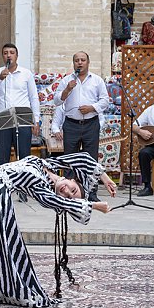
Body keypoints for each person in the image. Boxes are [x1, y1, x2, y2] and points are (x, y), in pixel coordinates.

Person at [0, 153, 116, 306]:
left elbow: (56, 201)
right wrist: (105, 178)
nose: (66, 191)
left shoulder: (43, 188)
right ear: (72, 179)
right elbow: (81, 158)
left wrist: (94, 205)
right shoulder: (48, 163)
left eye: (69, 196)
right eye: (73, 189)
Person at [53, 51, 110, 202]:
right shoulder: (66, 81)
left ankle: (91, 193)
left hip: (91, 123)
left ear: (88, 62)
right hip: (71, 124)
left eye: (82, 60)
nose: (80, 62)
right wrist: (67, 90)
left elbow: (105, 101)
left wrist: (92, 108)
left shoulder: (97, 80)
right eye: (77, 60)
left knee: (90, 159)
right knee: (70, 159)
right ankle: (69, 193)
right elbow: (57, 101)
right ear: (73, 63)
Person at [0, 43, 40, 165]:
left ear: (17, 56)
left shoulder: (26, 73)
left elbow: (33, 97)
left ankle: (25, 182)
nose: (9, 55)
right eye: (5, 53)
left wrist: (36, 120)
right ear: (2, 56)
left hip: (23, 119)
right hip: (2, 119)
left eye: (12, 53)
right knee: (2, 156)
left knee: (24, 156)